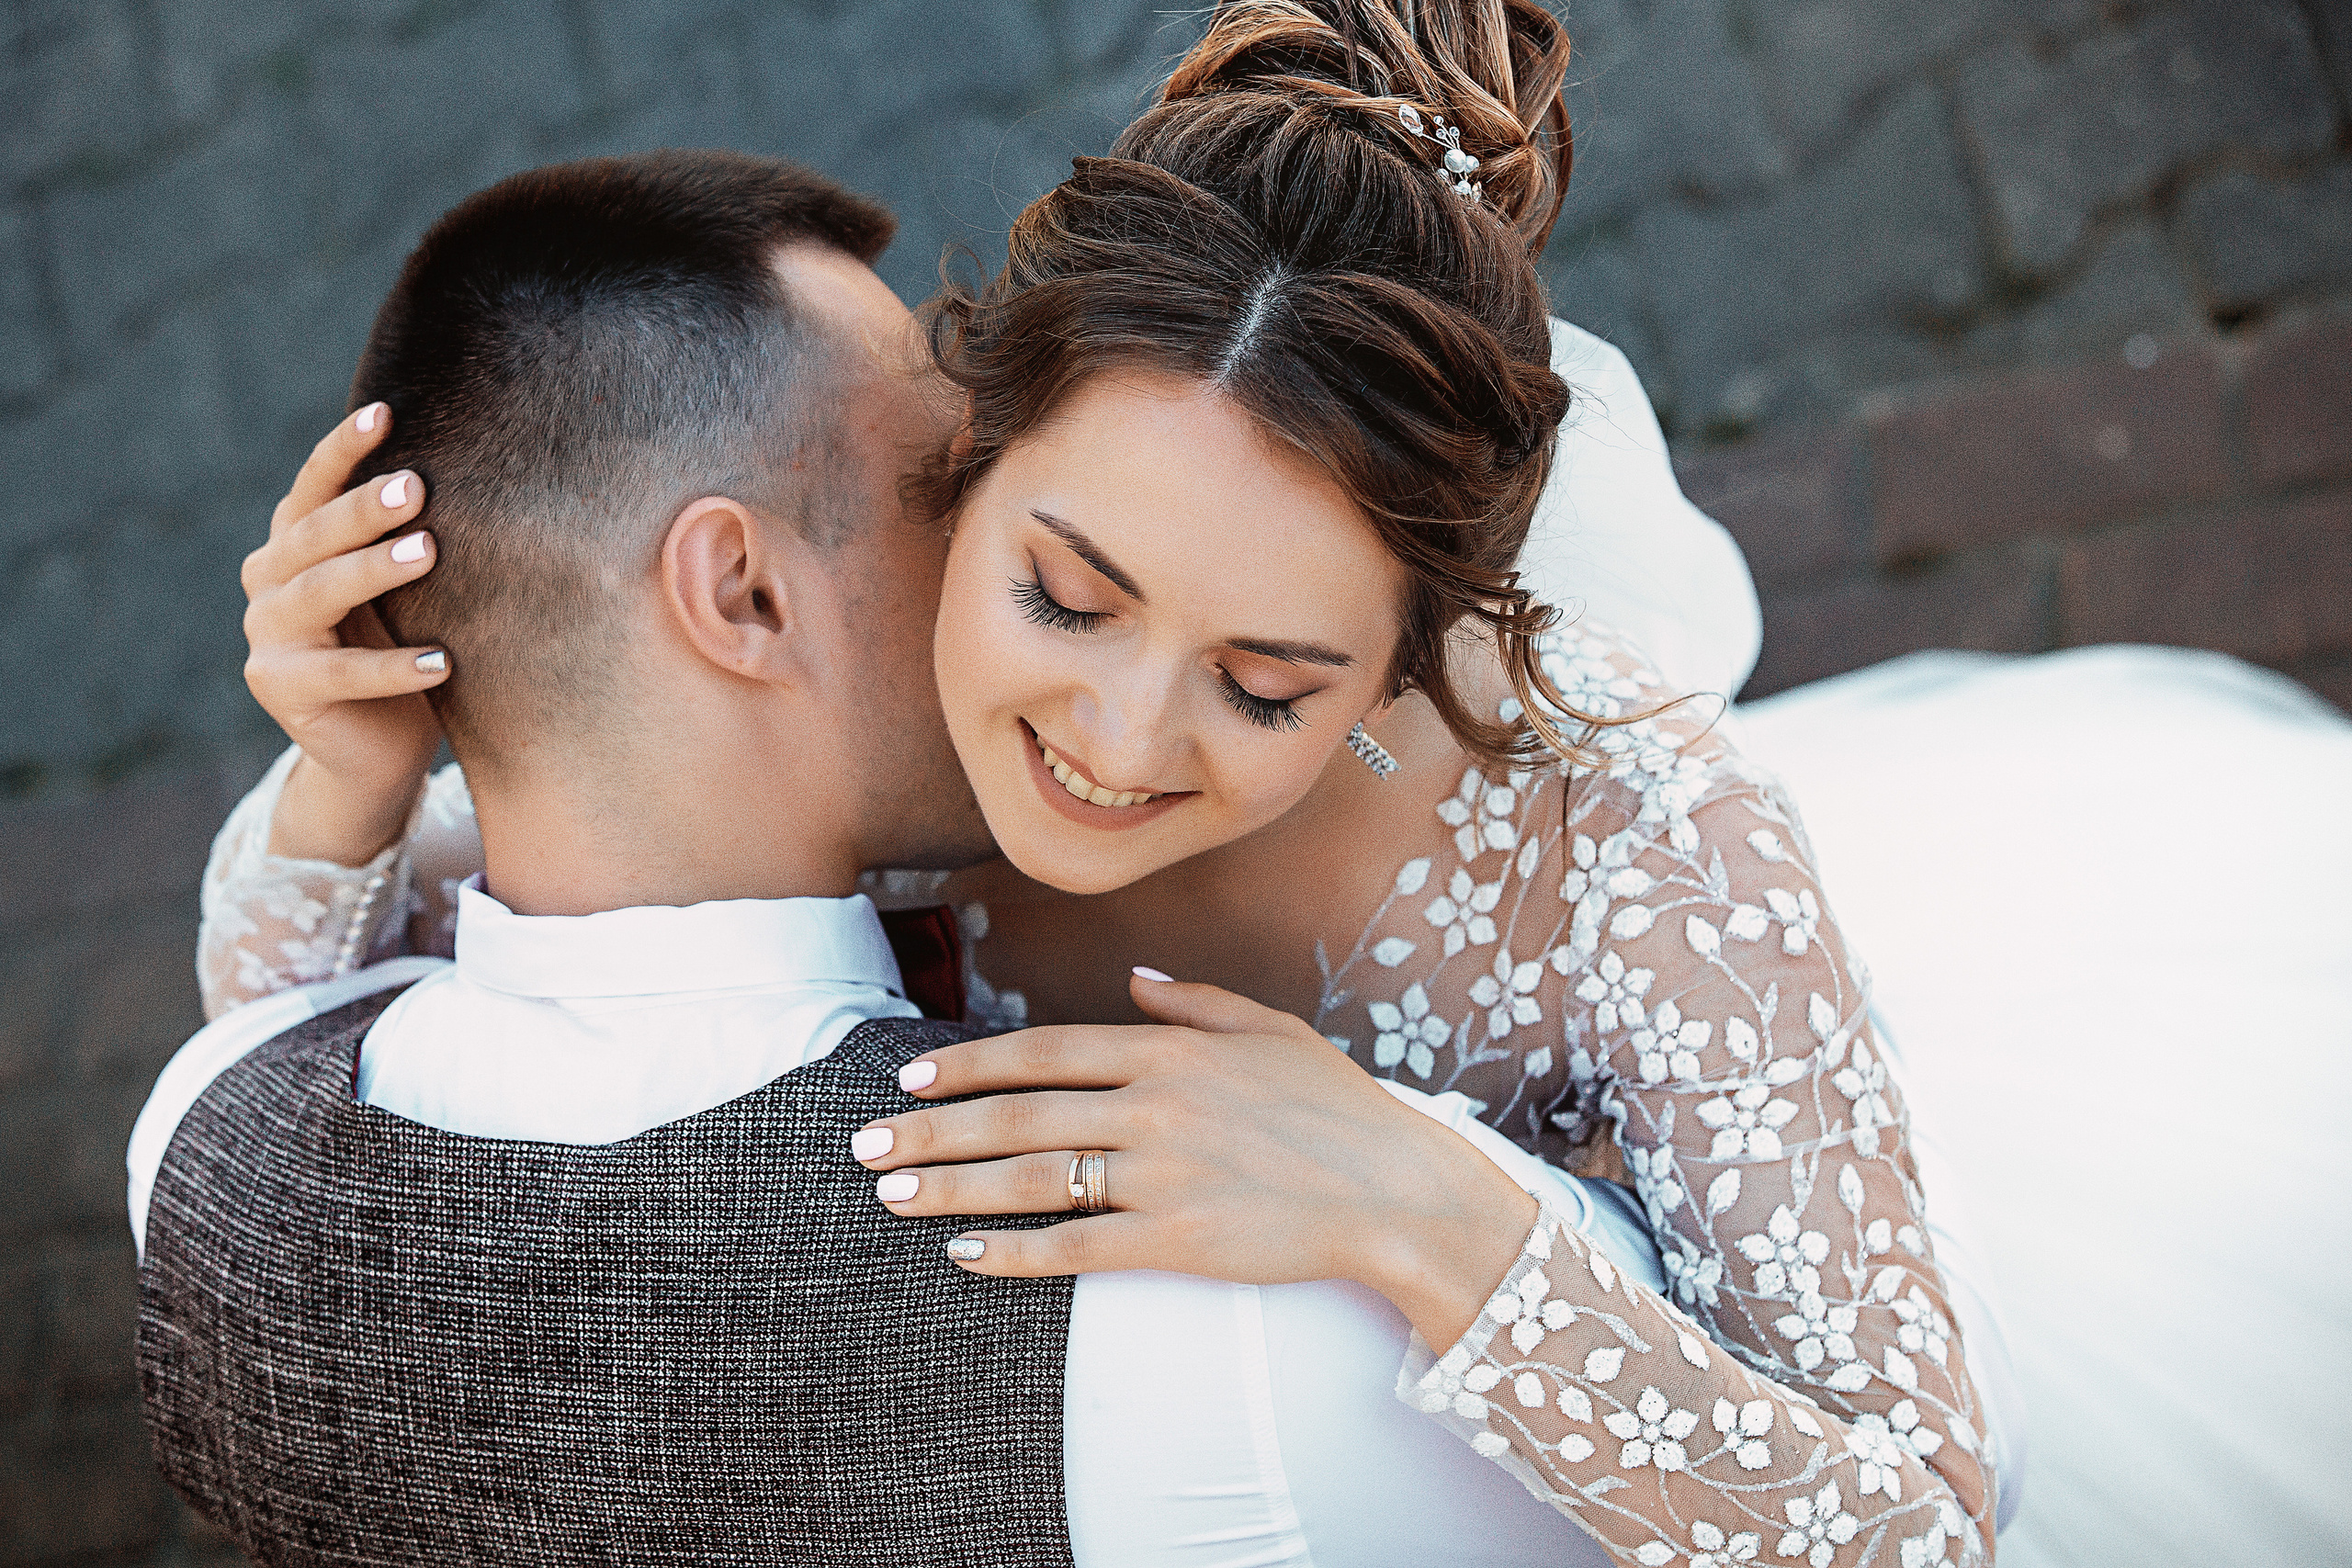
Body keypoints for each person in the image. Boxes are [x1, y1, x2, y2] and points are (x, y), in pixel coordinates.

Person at [170, 4, 2016, 1564]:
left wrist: (1430, 1212)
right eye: (1065, 591)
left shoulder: (1636, 866)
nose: (1115, 747)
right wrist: (353, 759)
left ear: (1390, 663)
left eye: (1267, 682)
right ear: (967, 445)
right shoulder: (875, 704)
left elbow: (1931, 1523)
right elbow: (294, 1039)